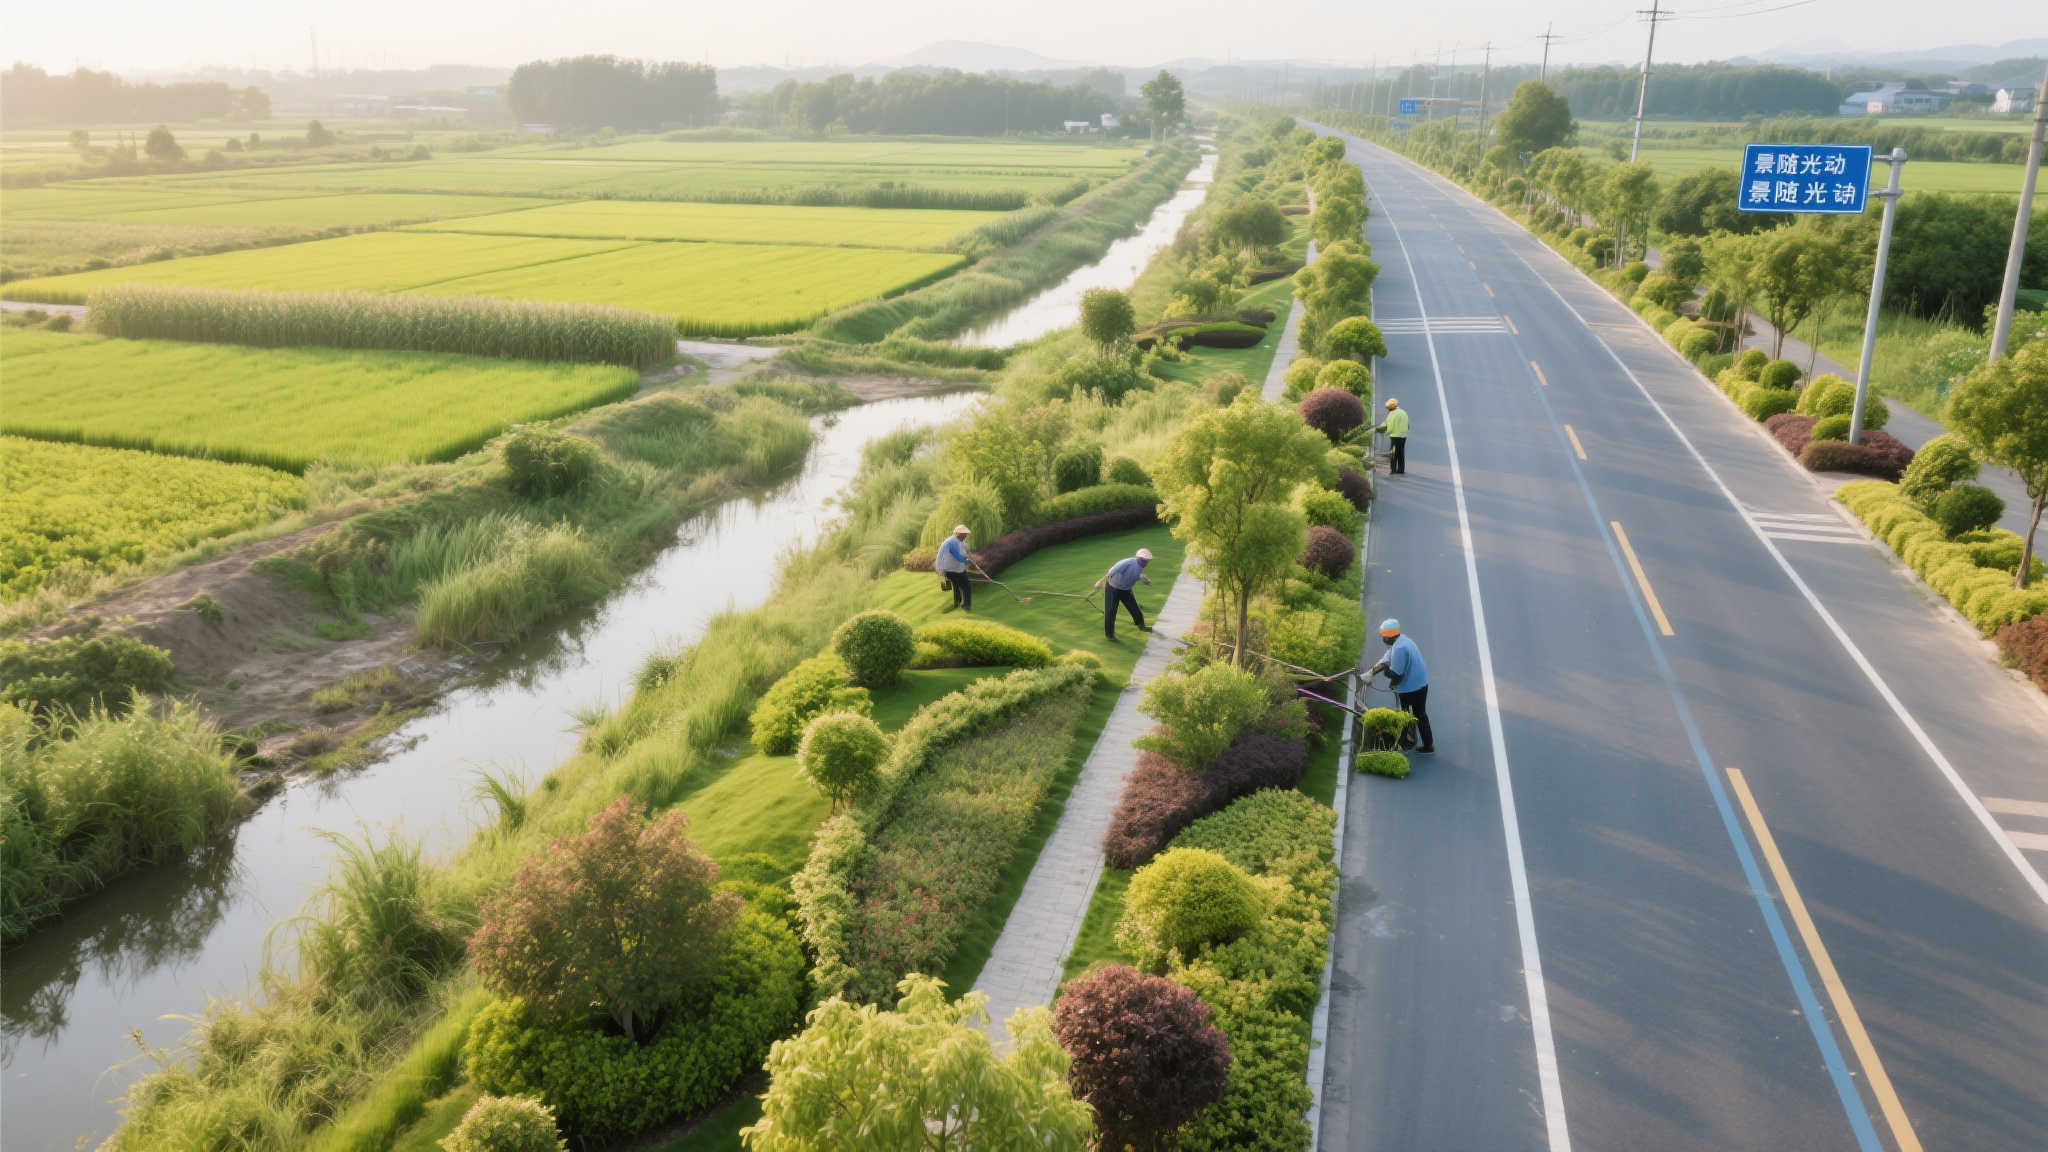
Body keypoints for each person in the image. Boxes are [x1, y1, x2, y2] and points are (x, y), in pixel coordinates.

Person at [1367, 618, 1433, 753]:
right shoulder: (1404, 640)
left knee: (1404, 715)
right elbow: (1387, 657)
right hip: (1421, 684)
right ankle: (1428, 745)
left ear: (1388, 637)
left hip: (1410, 689)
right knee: (1421, 714)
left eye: (1383, 636)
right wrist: (1372, 671)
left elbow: (1397, 675)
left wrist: (1386, 671)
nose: (1382, 639)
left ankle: (1404, 743)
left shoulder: (1399, 649)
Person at [1094, 547, 1154, 641]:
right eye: (1145, 560)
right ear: (1139, 558)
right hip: (1113, 588)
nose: (1146, 563)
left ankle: (1142, 626)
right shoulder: (1127, 562)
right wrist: (1100, 582)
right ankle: (1110, 635)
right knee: (1111, 611)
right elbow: (1111, 571)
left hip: (1126, 589)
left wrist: (1145, 580)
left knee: (1135, 608)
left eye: (1147, 561)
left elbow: (1138, 574)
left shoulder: (1140, 566)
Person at [935, 524, 973, 611]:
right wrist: (967, 560)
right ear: (959, 534)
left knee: (956, 586)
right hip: (954, 569)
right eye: (965, 535)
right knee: (966, 586)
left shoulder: (952, 540)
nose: (966, 536)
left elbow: (962, 551)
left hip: (948, 569)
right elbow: (958, 557)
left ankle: (957, 602)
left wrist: (967, 553)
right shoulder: (953, 542)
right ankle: (966, 605)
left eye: (966, 535)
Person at [1375, 397, 1410, 475]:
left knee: (1393, 453)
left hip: (1395, 436)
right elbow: (1408, 424)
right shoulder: (1403, 412)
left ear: (1390, 408)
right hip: (1403, 436)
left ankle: (1393, 469)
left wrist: (1384, 432)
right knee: (1401, 452)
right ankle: (1401, 470)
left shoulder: (1392, 414)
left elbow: (1389, 426)